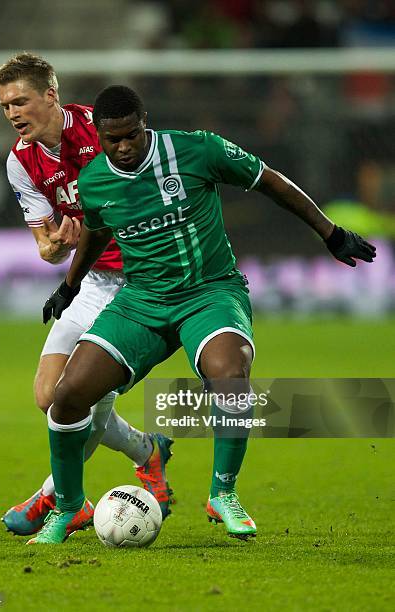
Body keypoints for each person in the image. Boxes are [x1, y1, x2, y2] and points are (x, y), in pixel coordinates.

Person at [32, 85, 376, 545]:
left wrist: (330, 233)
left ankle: (224, 494)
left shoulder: (197, 149)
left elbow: (269, 180)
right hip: (143, 300)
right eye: (113, 139)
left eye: (132, 135)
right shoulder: (95, 180)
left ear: (144, 122)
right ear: (101, 134)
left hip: (209, 292)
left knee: (230, 376)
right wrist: (69, 286)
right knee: (68, 395)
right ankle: (69, 507)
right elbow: (96, 230)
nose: (124, 146)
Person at [0, 55, 174, 538]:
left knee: (82, 398)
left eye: (20, 101)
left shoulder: (102, 131)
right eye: (5, 105)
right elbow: (48, 247)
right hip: (91, 283)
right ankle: (147, 451)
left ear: (50, 95)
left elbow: (148, 195)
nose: (12, 113)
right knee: (49, 397)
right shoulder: (20, 161)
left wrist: (97, 229)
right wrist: (56, 246)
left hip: (144, 284)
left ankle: (55, 498)